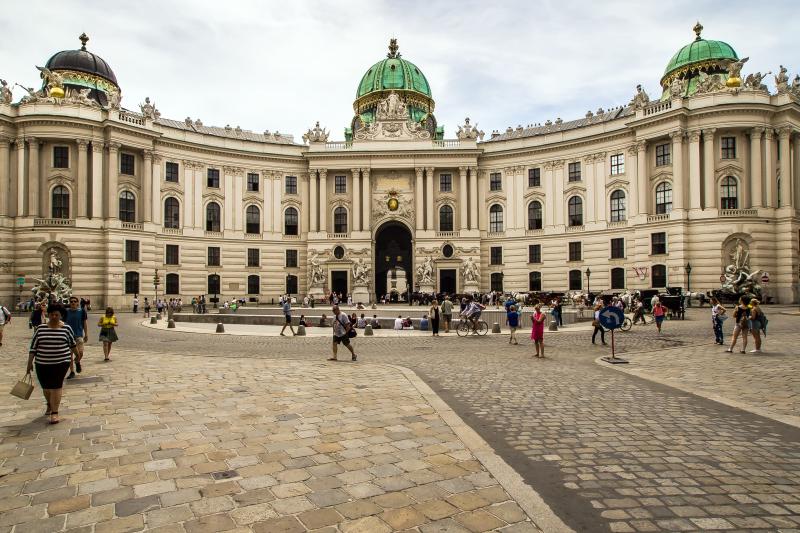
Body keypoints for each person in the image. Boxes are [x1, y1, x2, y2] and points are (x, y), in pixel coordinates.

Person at [26, 302, 78, 424]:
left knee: (56, 386)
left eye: (56, 315)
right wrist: (29, 363)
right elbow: (33, 347)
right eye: (51, 314)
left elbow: (72, 344)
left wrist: (78, 356)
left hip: (61, 362)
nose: (54, 317)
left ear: (61, 316)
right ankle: (49, 403)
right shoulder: (40, 329)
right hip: (42, 363)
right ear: (48, 315)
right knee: (46, 387)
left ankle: (55, 412)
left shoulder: (66, 328)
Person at [64, 297, 88, 379]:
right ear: (69, 303)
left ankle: (77, 361)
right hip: (68, 336)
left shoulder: (82, 311)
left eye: (75, 301)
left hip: (79, 335)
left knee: (80, 353)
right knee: (69, 355)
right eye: (71, 301)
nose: (73, 303)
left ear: (78, 303)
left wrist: (86, 334)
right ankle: (72, 371)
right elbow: (63, 323)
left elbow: (84, 323)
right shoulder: (66, 312)